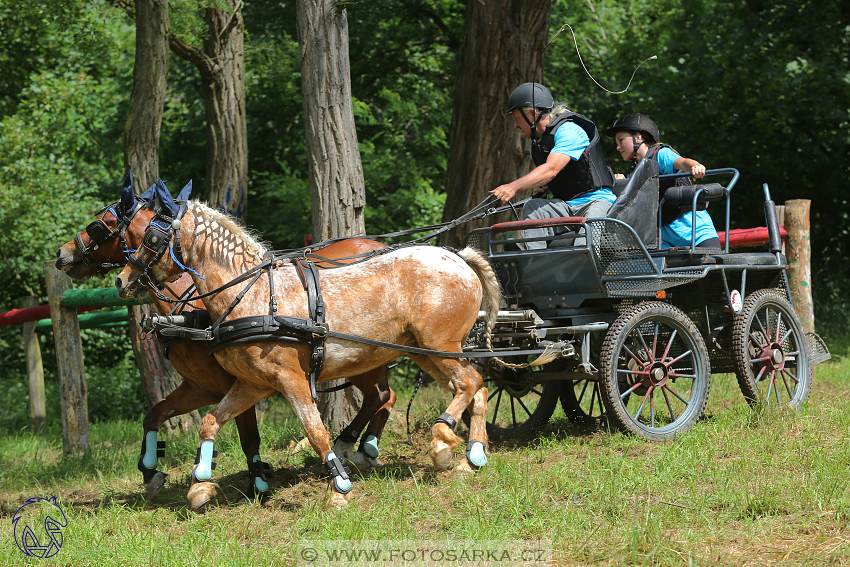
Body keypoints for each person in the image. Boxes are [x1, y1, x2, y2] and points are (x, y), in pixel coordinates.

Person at [490, 83, 616, 249]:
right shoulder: (538, 147)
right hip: (566, 207)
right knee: (533, 206)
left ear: (533, 114)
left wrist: (513, 187)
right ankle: (534, 264)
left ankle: (583, 263)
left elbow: (551, 169)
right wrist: (545, 189)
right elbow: (561, 175)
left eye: (516, 119)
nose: (515, 125)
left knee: (588, 231)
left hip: (595, 203)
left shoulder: (569, 131)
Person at [606, 113, 721, 249]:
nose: (618, 147)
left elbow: (683, 162)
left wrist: (695, 166)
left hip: (696, 232)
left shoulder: (660, 154)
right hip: (667, 239)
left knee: (711, 268)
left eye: (621, 140)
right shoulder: (636, 171)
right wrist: (623, 184)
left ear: (637, 137)